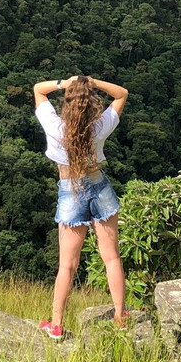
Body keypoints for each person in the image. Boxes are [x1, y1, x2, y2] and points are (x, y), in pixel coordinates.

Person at [32, 75, 129, 340]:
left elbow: (38, 91)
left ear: (67, 104)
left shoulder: (55, 127)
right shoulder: (99, 128)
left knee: (67, 266)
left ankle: (56, 325)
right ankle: (120, 317)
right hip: (100, 188)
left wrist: (66, 82)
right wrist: (93, 83)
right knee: (111, 258)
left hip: (71, 192)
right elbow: (122, 94)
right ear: (91, 105)